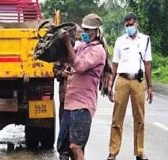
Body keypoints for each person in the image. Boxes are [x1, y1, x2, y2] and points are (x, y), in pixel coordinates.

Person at [57, 13, 108, 160]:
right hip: (70, 104)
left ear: (97, 31)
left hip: (83, 105)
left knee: (76, 146)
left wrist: (67, 43)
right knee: (63, 148)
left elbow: (79, 65)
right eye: (84, 29)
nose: (85, 33)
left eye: (88, 30)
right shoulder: (83, 46)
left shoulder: (98, 51)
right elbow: (70, 55)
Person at [107, 12, 152, 160]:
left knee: (139, 118)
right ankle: (113, 152)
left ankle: (139, 151)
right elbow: (114, 65)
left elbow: (147, 64)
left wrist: (150, 87)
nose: (129, 27)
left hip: (138, 82)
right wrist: (110, 85)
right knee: (117, 118)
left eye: (131, 25)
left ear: (136, 23)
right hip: (122, 80)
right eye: (126, 25)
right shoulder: (120, 41)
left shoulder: (145, 40)